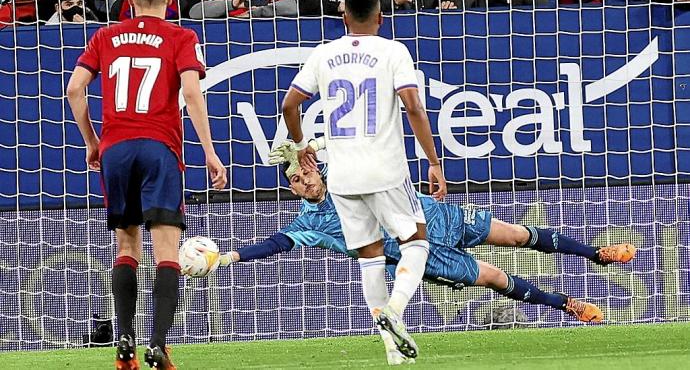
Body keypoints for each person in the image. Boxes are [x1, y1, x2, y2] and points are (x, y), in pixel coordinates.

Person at [203, 139, 636, 365]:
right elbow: (275, 244)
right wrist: (229, 257)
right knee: (495, 278)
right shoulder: (308, 224)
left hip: (430, 214)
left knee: (518, 234)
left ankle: (598, 254)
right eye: (296, 178)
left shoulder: (339, 168)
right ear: (293, 186)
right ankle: (568, 305)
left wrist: (311, 146)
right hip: (416, 252)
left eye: (305, 171)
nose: (304, 179)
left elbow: (349, 141)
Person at [65, 0, 227, 368]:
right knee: (166, 251)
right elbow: (191, 92)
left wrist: (92, 142)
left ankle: (124, 342)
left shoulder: (105, 36)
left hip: (116, 150)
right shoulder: (181, 37)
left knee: (126, 246)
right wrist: (209, 152)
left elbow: (74, 89)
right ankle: (157, 343)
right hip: (159, 148)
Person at [282, 0, 447, 361]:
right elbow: (413, 106)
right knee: (416, 242)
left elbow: (290, 103)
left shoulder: (323, 54)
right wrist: (434, 161)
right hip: (385, 170)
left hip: (341, 176)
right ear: (380, 17)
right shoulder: (393, 51)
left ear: (343, 18)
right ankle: (395, 310)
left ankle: (393, 352)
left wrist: (301, 143)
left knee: (369, 256)